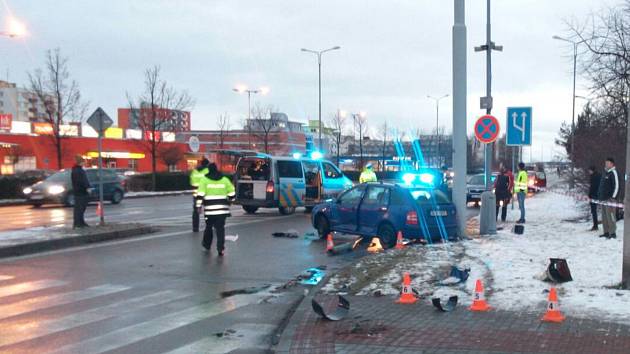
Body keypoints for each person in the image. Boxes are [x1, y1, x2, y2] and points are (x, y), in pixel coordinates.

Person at [196, 163, 236, 256]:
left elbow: (200, 195)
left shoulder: (204, 180)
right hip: (222, 210)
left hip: (210, 211)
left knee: (209, 227)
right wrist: (231, 200)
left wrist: (198, 207)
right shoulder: (225, 180)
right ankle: (220, 249)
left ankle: (207, 245)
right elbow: (232, 192)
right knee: (220, 229)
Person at [598, 158, 619, 239]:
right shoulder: (605, 173)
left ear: (612, 164)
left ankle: (612, 232)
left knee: (611, 216)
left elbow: (616, 186)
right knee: (604, 216)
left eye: (608, 163)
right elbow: (601, 186)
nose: (606, 164)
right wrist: (599, 196)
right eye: (605, 162)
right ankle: (606, 232)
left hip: (610, 200)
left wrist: (613, 197)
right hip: (603, 199)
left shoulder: (614, 172)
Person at [189, 158, 210, 232]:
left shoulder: (194, 171)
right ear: (207, 164)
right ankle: (209, 226)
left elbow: (191, 183)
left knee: (195, 211)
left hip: (196, 194)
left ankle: (195, 228)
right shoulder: (208, 171)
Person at [71, 155, 91, 228]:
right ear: (80, 162)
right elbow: (83, 181)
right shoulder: (79, 171)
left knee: (80, 208)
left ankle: (80, 222)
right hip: (81, 192)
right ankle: (78, 223)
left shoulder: (75, 170)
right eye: (83, 162)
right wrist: (87, 188)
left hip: (78, 191)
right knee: (80, 208)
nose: (84, 163)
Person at [587, 166, 601, 231]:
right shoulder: (599, 175)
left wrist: (589, 195)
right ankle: (595, 225)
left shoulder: (593, 177)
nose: (589, 172)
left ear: (591, 170)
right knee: (595, 211)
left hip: (593, 196)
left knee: (594, 211)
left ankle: (595, 225)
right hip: (598, 195)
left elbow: (592, 187)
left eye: (589, 170)